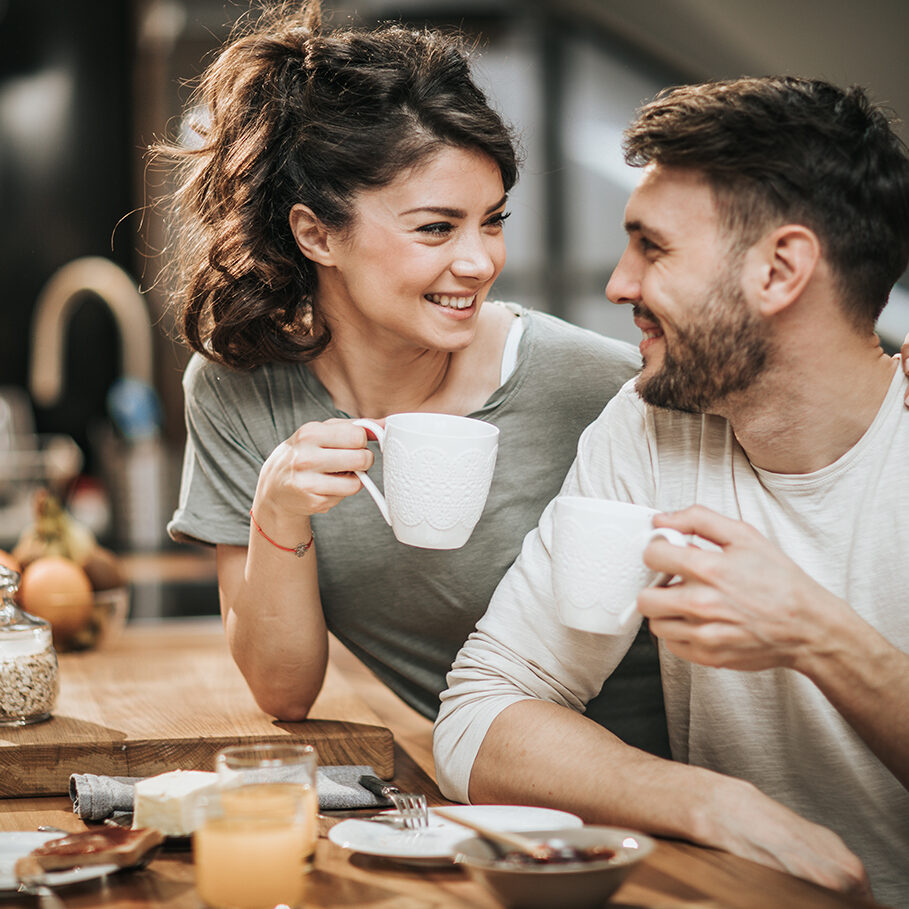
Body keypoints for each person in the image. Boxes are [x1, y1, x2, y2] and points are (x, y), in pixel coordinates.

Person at [434, 76, 909, 907]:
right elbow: (484, 706)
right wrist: (707, 801)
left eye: (650, 247)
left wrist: (815, 634)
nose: (618, 284)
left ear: (781, 268)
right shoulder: (653, 421)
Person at [158, 1, 668, 757]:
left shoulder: (590, 382)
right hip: (470, 799)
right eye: (437, 227)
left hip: (652, 787)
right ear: (316, 233)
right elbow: (283, 691)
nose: (479, 261)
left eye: (491, 221)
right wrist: (278, 509)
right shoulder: (241, 389)